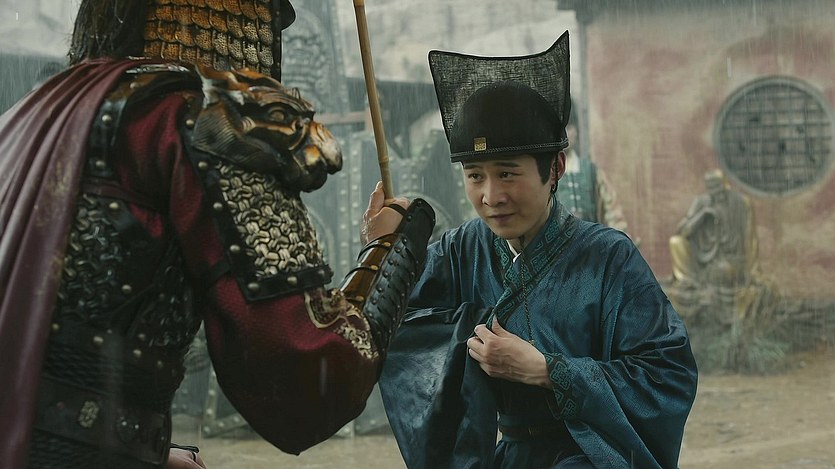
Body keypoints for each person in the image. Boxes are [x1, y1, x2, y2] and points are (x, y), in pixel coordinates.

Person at [0, 1, 435, 468]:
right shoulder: (206, 123)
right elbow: (306, 377)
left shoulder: (33, 113)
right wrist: (391, 249)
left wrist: (143, 446)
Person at [376, 31, 698, 469]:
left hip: (587, 457)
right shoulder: (463, 249)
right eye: (475, 176)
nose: (491, 196)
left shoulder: (609, 258)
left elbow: (668, 374)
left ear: (555, 168)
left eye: (508, 174)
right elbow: (382, 318)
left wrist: (550, 371)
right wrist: (385, 249)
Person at [669, 168, 758, 288]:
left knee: (723, 272)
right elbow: (684, 231)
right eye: (714, 192)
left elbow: (749, 240)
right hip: (701, 254)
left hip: (727, 257)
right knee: (676, 242)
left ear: (726, 186)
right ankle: (687, 281)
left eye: (721, 191)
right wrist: (703, 214)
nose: (719, 196)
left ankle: (702, 283)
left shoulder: (739, 203)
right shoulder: (701, 202)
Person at [557, 103, 629, 233]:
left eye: (570, 127)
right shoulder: (548, 173)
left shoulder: (591, 172)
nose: (566, 133)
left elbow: (612, 213)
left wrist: (620, 238)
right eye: (562, 128)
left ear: (576, 131)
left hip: (591, 240)